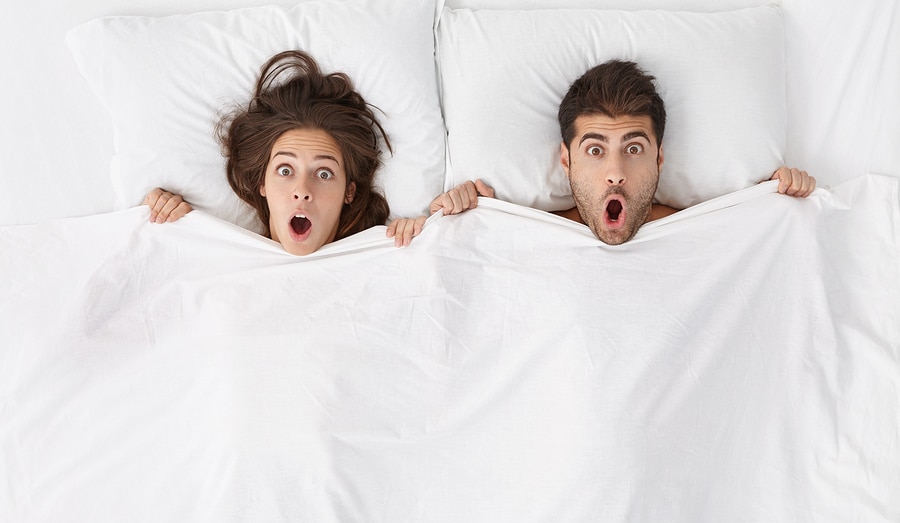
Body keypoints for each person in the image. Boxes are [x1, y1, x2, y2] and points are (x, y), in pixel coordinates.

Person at [429, 59, 815, 245]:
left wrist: (775, 204)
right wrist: (466, 219)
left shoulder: (708, 230)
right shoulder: (526, 233)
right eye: (595, 150)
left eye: (633, 148)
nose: (615, 172)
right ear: (567, 161)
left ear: (659, 159)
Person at [144, 50, 474, 255]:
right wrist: (165, 228)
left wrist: (462, 223)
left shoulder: (392, 248)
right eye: (285, 171)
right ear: (262, 184)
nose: (302, 191)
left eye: (324, 173)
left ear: (349, 191)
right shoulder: (216, 255)